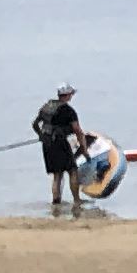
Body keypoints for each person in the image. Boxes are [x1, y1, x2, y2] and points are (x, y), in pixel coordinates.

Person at [32, 85, 84, 214]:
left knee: (57, 174)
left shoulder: (48, 106)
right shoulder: (68, 110)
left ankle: (56, 201)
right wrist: (84, 148)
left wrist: (41, 136)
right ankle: (77, 200)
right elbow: (77, 130)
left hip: (48, 144)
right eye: (71, 94)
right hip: (60, 143)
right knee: (72, 171)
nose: (71, 96)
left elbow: (35, 124)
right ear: (66, 95)